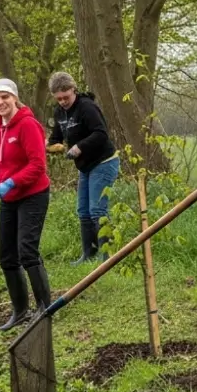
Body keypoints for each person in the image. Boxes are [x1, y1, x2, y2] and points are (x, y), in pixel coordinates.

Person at [0, 78, 51, 331]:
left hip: (33, 193)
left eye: (5, 97)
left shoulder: (28, 125)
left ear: (14, 98)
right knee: (6, 255)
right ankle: (20, 310)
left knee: (27, 250)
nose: (0, 102)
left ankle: (45, 308)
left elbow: (38, 165)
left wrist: (11, 182)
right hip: (9, 198)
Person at [48, 73, 119, 265]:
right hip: (85, 166)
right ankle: (89, 254)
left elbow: (101, 133)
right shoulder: (59, 112)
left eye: (66, 97)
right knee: (83, 211)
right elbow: (56, 137)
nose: (63, 102)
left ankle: (108, 257)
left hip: (104, 162)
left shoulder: (87, 107)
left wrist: (79, 147)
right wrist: (51, 146)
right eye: (59, 98)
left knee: (97, 210)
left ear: (74, 90)